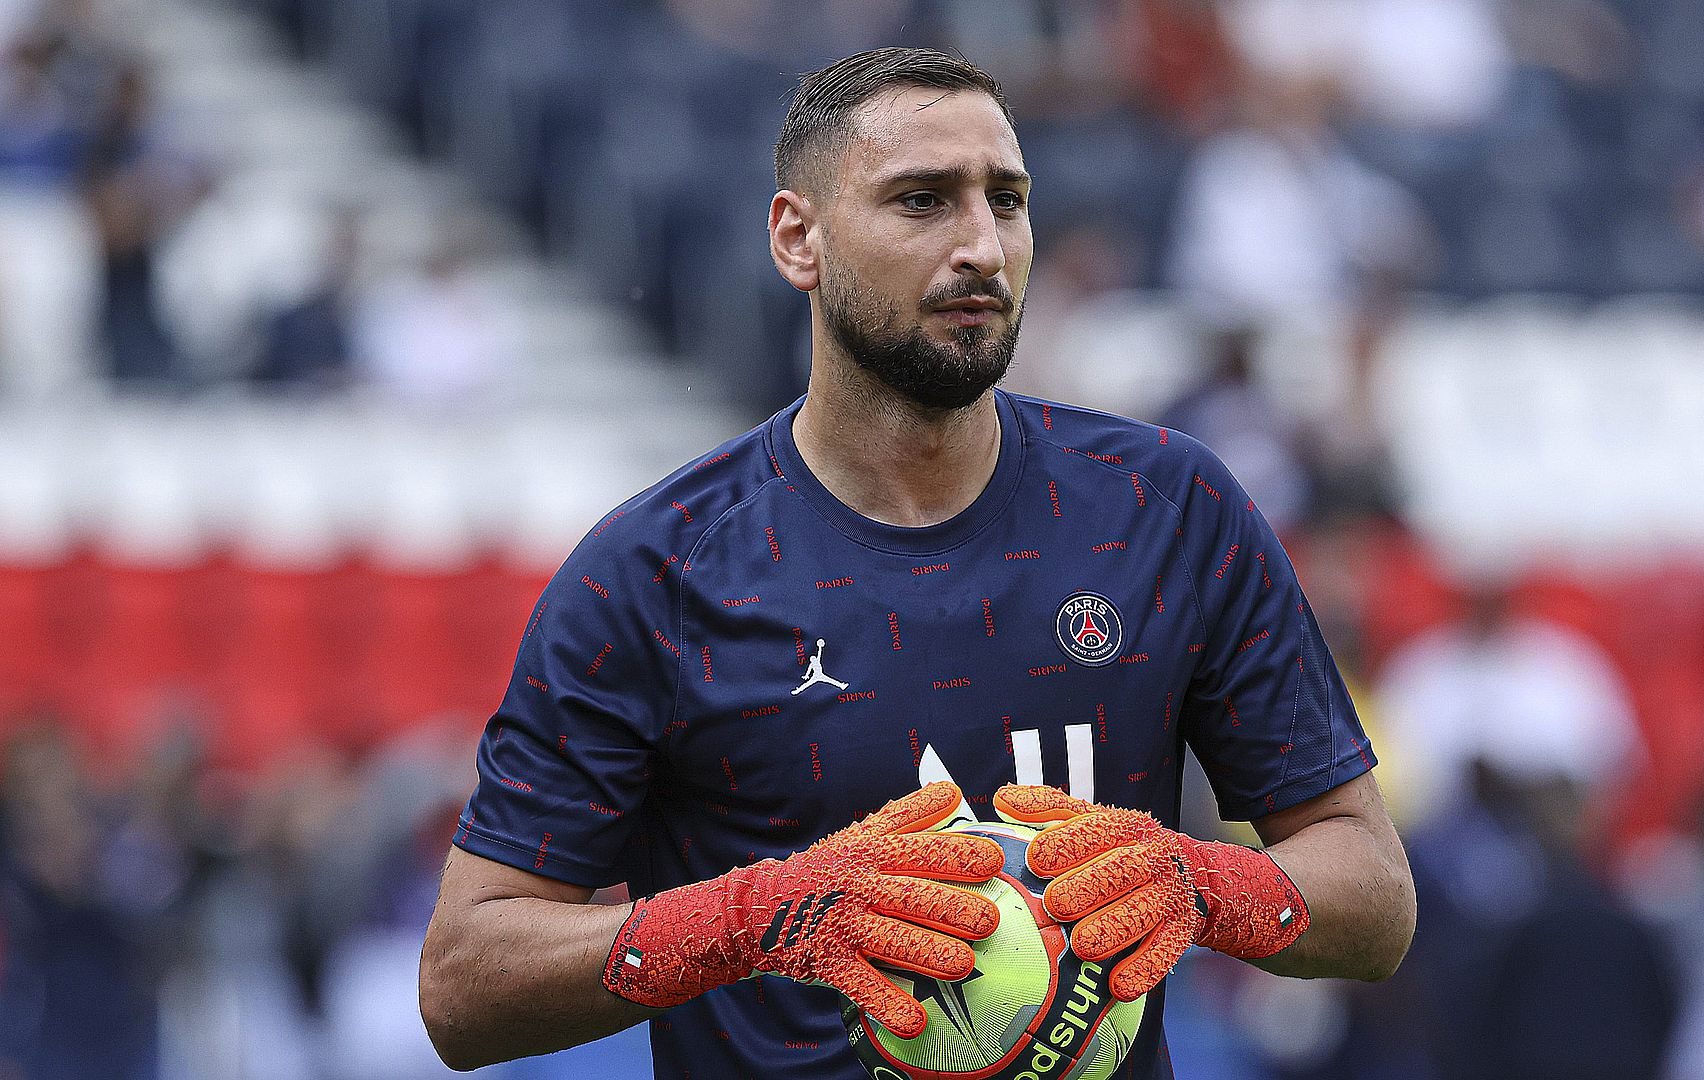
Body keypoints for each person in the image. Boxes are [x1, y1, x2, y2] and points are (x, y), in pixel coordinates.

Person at [417, 48, 1415, 1078]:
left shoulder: (1168, 510)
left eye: (1007, 201)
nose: (982, 246)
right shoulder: (652, 573)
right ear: (798, 240)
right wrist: (755, 918)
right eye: (923, 201)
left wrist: (1204, 887)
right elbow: (464, 984)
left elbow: (1375, 898)